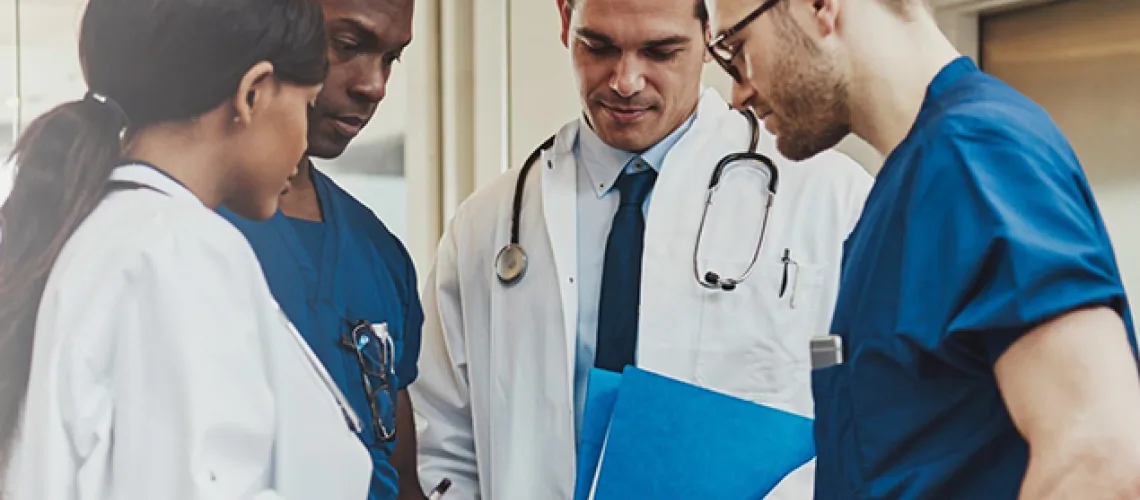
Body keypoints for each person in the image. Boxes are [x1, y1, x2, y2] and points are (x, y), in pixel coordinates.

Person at [408, 0, 874, 497]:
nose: (625, 81)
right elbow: (442, 439)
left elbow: (873, 417)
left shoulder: (828, 200)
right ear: (566, 20)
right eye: (599, 46)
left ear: (711, 34)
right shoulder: (487, 225)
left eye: (660, 51)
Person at [707, 0, 1140, 497]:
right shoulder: (904, 191)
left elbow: (1098, 457)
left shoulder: (973, 155)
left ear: (819, 6)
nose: (737, 93)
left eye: (735, 49)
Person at [0, 0, 374, 498]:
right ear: (253, 93)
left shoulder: (100, 232)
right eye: (305, 106)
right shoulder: (179, 249)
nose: (304, 140)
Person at [217, 0, 425, 498]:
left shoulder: (379, 253)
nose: (374, 86)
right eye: (349, 45)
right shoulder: (186, 238)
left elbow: (398, 474)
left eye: (392, 58)